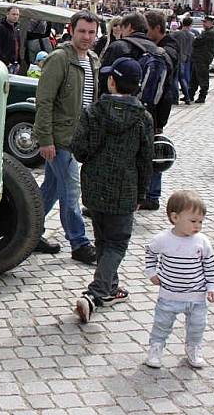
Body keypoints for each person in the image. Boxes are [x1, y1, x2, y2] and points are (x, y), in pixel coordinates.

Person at [72, 57, 154, 323]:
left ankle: (109, 287)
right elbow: (145, 160)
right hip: (125, 188)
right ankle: (95, 294)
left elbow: (80, 150)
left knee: (104, 240)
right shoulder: (143, 118)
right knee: (117, 243)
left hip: (94, 187)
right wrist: (142, 193)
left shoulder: (93, 112)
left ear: (111, 81)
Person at [32, 10, 102, 262]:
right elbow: (44, 101)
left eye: (91, 32)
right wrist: (45, 139)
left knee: (50, 189)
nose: (86, 36)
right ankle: (79, 243)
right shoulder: (59, 59)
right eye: (82, 31)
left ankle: (29, 233)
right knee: (71, 190)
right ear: (71, 30)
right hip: (61, 140)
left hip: (78, 138)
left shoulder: (93, 59)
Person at [143, 190, 214, 369]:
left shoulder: (202, 242)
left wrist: (212, 286)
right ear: (175, 218)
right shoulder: (163, 239)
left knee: (197, 326)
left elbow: (209, 265)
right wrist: (151, 272)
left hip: (197, 297)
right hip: (169, 296)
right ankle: (156, 348)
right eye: (193, 221)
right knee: (162, 325)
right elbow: (150, 252)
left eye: (200, 221)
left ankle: (193, 348)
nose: (197, 226)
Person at [140, 10, 179, 211]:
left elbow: (157, 88)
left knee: (153, 150)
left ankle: (152, 194)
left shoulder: (166, 50)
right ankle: (150, 193)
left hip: (156, 110)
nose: (145, 33)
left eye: (147, 29)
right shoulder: (163, 47)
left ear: (157, 28)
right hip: (158, 109)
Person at [189, 16, 214, 103]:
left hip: (203, 58)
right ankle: (190, 95)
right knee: (194, 78)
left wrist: (196, 39)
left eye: (205, 22)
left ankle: (202, 96)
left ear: (210, 23)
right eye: (203, 22)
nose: (203, 24)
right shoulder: (206, 32)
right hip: (198, 58)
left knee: (202, 78)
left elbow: (196, 42)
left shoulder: (210, 32)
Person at [0, 6, 23, 72]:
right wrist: (6, 63)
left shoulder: (16, 29)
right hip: (4, 65)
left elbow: (17, 46)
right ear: (7, 14)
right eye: (13, 14)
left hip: (15, 64)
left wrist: (19, 62)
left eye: (17, 14)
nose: (15, 16)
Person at [171, 16, 195, 104]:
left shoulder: (176, 34)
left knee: (174, 79)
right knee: (183, 78)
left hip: (176, 57)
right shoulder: (192, 35)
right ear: (191, 24)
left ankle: (175, 98)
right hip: (186, 58)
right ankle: (187, 97)